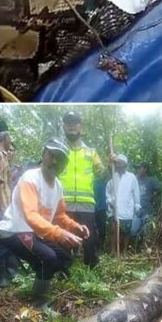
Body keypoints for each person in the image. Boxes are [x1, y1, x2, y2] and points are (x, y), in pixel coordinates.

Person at [0, 138, 89, 314]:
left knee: (65, 257)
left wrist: (76, 227)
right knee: (48, 258)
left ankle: (43, 278)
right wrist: (58, 233)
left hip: (34, 232)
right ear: (44, 155)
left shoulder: (58, 186)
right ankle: (39, 304)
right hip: (13, 230)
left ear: (65, 164)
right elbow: (30, 215)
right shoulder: (30, 178)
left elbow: (60, 215)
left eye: (60, 159)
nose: (55, 161)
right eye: (52, 155)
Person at [57, 111, 105, 267]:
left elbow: (102, 172)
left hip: (86, 203)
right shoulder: (59, 151)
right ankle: (64, 269)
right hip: (64, 202)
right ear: (64, 126)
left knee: (89, 237)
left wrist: (111, 165)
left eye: (75, 122)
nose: (72, 125)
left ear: (81, 127)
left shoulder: (91, 152)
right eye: (68, 122)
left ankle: (92, 267)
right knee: (64, 237)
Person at [0, 120, 17, 288]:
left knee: (6, 240)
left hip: (4, 205)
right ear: (5, 136)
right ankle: (1, 277)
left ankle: (8, 273)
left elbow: (5, 180)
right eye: (10, 137)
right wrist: (3, 208)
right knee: (1, 241)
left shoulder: (0, 154)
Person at [106, 154, 140, 253]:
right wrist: (110, 200)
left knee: (126, 232)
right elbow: (109, 191)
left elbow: (136, 192)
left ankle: (124, 251)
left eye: (120, 163)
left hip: (127, 209)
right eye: (117, 163)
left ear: (125, 165)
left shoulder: (131, 177)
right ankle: (113, 251)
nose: (118, 166)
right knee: (113, 230)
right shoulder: (113, 177)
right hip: (115, 209)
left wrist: (137, 205)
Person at [134, 162, 161, 238]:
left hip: (147, 210)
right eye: (137, 168)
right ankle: (138, 244)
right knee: (133, 231)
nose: (138, 170)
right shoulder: (134, 180)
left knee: (147, 231)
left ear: (145, 169)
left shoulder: (150, 180)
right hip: (136, 211)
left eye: (140, 168)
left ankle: (146, 248)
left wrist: (153, 196)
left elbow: (160, 189)